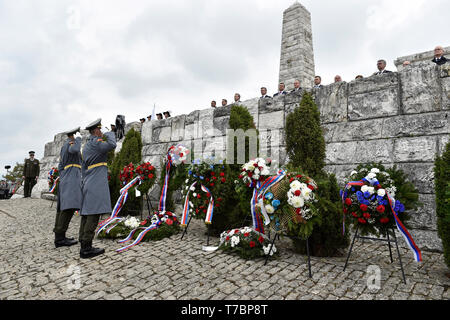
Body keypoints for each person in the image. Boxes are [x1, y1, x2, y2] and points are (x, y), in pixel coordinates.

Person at [79, 118, 117, 259]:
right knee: (93, 214)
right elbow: (112, 145)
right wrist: (111, 132)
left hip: (88, 180)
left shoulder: (87, 145)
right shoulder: (96, 142)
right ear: (95, 130)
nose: (101, 132)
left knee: (86, 213)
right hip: (96, 182)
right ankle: (86, 248)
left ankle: (83, 241)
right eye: (100, 129)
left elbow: (83, 167)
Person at [53, 127, 82, 248]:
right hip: (71, 177)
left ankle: (60, 235)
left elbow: (60, 165)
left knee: (65, 207)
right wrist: (79, 139)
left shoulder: (64, 146)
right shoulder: (71, 144)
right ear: (73, 135)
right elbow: (75, 149)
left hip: (67, 176)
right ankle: (60, 238)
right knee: (68, 208)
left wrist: (63, 175)